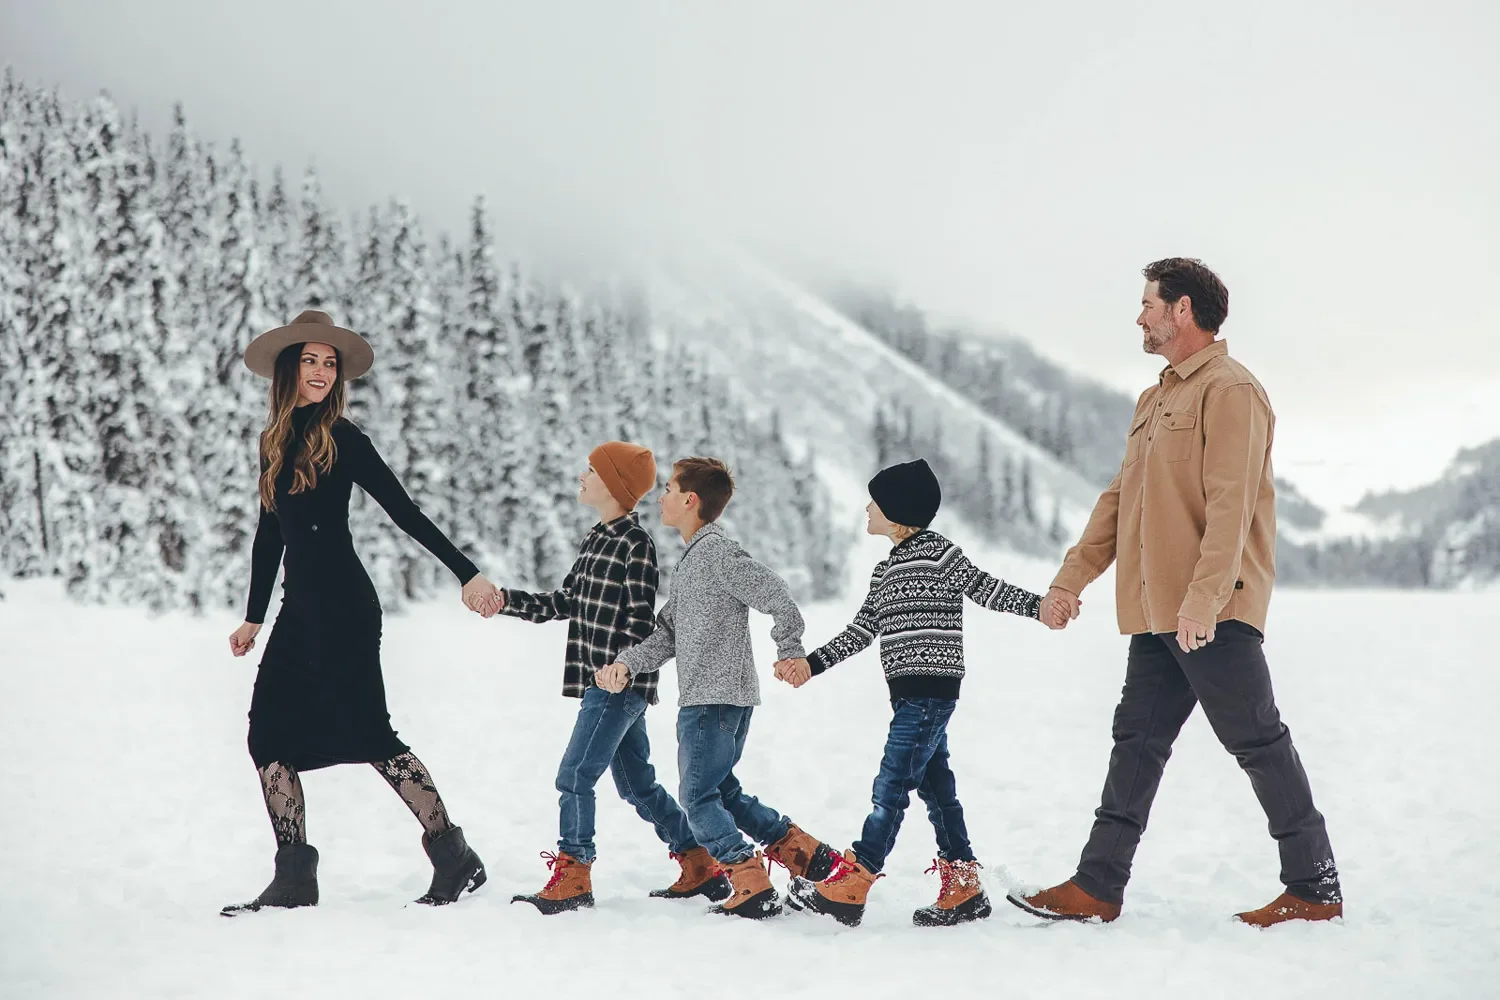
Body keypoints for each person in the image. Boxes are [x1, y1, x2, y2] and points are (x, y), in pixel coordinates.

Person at [1009, 259, 1342, 927]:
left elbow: (1232, 505)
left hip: (1209, 610)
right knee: (1136, 741)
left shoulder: (1232, 390)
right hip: (1158, 609)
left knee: (1256, 741)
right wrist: (1071, 580)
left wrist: (1204, 599)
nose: (1140, 317)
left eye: (1148, 304)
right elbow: (1118, 499)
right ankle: (1098, 886)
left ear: (1182, 310)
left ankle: (1313, 886)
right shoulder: (1156, 397)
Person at [222, 310, 501, 916]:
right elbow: (270, 535)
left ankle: (453, 856)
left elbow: (405, 512)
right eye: (310, 360)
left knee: (372, 736)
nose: (321, 371)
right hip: (298, 614)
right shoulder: (273, 441)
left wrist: (467, 572)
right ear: (289, 369)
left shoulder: (345, 439)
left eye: (329, 363)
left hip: (346, 610)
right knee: (267, 735)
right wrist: (253, 616)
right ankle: (294, 874)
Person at [777, 459, 1051, 928]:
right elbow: (860, 631)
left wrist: (1040, 607)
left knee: (891, 786)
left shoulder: (940, 554)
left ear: (897, 510)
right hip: (908, 697)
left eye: (875, 502)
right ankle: (963, 885)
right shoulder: (886, 570)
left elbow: (988, 589)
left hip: (931, 694)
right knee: (937, 788)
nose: (866, 507)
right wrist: (811, 664)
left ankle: (855, 879)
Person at [598, 457, 836, 919]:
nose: (660, 497)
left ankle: (748, 880)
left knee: (696, 798)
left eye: (667, 488)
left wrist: (790, 648)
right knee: (722, 792)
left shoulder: (716, 553)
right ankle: (809, 857)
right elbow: (668, 633)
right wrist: (627, 664)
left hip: (714, 700)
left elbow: (776, 593)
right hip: (715, 697)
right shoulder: (693, 560)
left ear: (690, 500)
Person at [503, 442, 730, 914]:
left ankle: (574, 873)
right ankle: (699, 861)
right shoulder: (596, 538)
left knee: (574, 775)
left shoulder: (634, 543)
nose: (581, 477)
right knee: (636, 784)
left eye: (591, 470)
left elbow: (642, 621)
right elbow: (564, 602)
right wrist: (504, 600)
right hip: (602, 681)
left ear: (614, 485)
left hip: (617, 685)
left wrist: (624, 670)